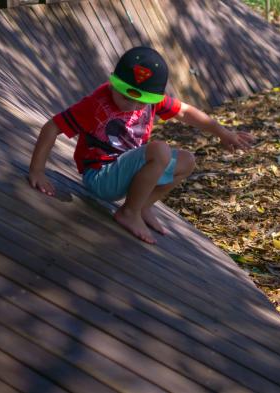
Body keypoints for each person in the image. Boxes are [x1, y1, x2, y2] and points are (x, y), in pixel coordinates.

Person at [29, 46, 253, 244]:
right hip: (101, 177)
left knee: (186, 161)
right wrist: (38, 171)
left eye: (141, 101)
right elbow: (52, 127)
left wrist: (223, 133)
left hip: (128, 174)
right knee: (160, 150)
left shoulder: (150, 102)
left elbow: (185, 112)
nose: (133, 105)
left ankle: (143, 205)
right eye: (126, 97)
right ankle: (129, 212)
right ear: (114, 84)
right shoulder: (96, 104)